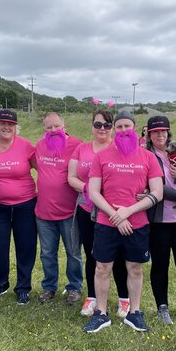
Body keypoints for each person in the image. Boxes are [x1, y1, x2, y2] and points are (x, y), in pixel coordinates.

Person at [83, 110, 163, 333]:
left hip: (137, 223)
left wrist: (128, 211)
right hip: (106, 222)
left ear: (135, 129)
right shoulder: (102, 156)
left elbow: (157, 192)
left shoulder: (148, 157)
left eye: (127, 126)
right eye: (119, 127)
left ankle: (134, 313)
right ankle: (100, 313)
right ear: (114, 130)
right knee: (102, 268)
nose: (123, 130)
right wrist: (115, 216)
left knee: (135, 268)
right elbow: (94, 192)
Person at [68, 111, 132, 318]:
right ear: (92, 126)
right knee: (92, 254)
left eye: (107, 125)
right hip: (87, 208)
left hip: (114, 210)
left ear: (112, 127)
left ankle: (124, 298)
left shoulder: (119, 148)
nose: (102, 128)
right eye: (98, 124)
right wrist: (91, 190)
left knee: (119, 255)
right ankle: (93, 296)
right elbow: (71, 178)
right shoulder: (82, 148)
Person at [141, 115, 176, 325]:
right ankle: (161, 306)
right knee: (160, 265)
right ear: (149, 134)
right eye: (156, 132)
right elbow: (151, 188)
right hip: (158, 220)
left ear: (168, 132)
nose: (160, 135)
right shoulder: (145, 156)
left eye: (163, 131)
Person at [0, 109, 37, 305]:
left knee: (26, 247)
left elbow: (45, 170)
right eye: (2, 123)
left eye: (10, 124)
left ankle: (23, 287)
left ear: (16, 127)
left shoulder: (26, 146)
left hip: (25, 205)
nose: (6, 127)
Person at [35, 112, 84, 304]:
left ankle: (74, 287)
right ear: (44, 130)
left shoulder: (77, 145)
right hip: (44, 212)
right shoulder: (39, 145)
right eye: (49, 127)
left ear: (64, 126)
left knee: (73, 252)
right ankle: (49, 287)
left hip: (69, 212)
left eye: (56, 126)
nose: (53, 130)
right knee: (47, 252)